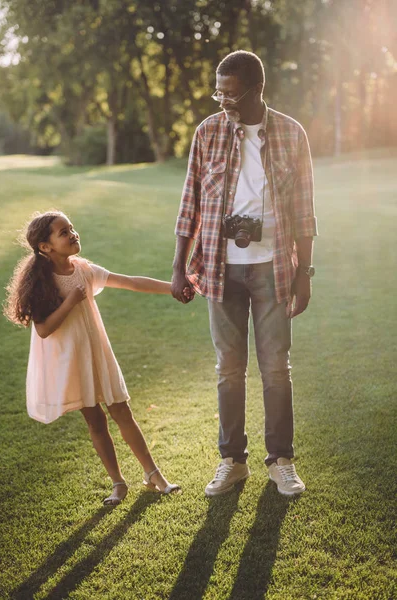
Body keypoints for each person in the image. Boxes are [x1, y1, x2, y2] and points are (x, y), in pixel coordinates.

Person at [171, 50, 318, 497]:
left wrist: (304, 272)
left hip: (274, 266)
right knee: (228, 369)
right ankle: (232, 461)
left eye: (230, 93)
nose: (222, 100)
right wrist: (179, 265)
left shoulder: (292, 134)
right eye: (219, 91)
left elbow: (304, 211)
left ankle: (282, 461)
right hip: (219, 268)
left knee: (276, 368)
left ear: (258, 89)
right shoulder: (208, 132)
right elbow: (190, 202)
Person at [4, 210, 182, 505]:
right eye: (63, 232)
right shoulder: (40, 282)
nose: (73, 234)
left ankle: (154, 475)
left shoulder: (83, 269)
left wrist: (174, 288)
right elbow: (45, 329)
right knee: (96, 421)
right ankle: (118, 483)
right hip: (71, 361)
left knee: (122, 413)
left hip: (97, 353)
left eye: (71, 228)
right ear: (45, 247)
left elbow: (130, 282)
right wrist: (71, 301)